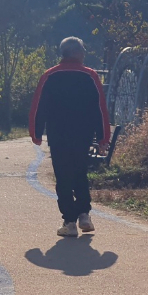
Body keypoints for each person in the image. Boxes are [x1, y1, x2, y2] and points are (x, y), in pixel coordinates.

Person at [28, 37, 110, 237]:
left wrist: (36, 133)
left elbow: (39, 107)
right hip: (82, 134)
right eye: (83, 50)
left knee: (63, 174)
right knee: (80, 171)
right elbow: (99, 109)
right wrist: (103, 137)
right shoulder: (90, 76)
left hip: (59, 134)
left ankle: (69, 222)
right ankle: (84, 214)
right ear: (77, 53)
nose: (84, 53)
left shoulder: (50, 75)